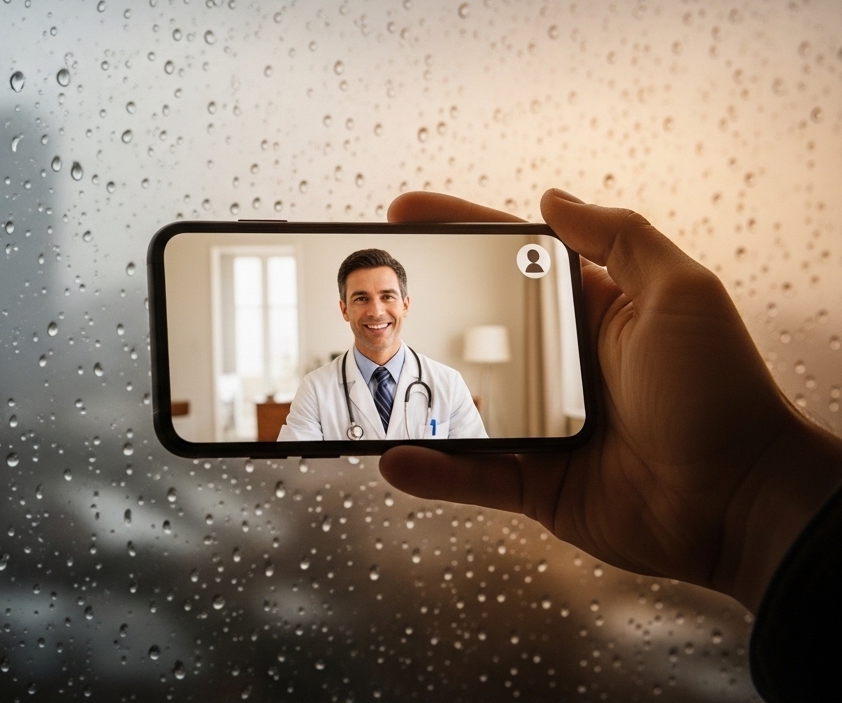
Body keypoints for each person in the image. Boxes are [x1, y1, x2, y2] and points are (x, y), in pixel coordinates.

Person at [376, 189, 842, 703]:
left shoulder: (444, 382)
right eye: (363, 301)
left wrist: (745, 499)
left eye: (386, 300)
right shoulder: (334, 388)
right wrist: (750, 493)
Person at [278, 248, 488, 441]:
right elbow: (294, 471)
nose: (376, 312)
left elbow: (477, 468)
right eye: (361, 298)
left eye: (387, 296)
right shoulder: (315, 389)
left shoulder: (449, 384)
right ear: (344, 310)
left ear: (405, 305)